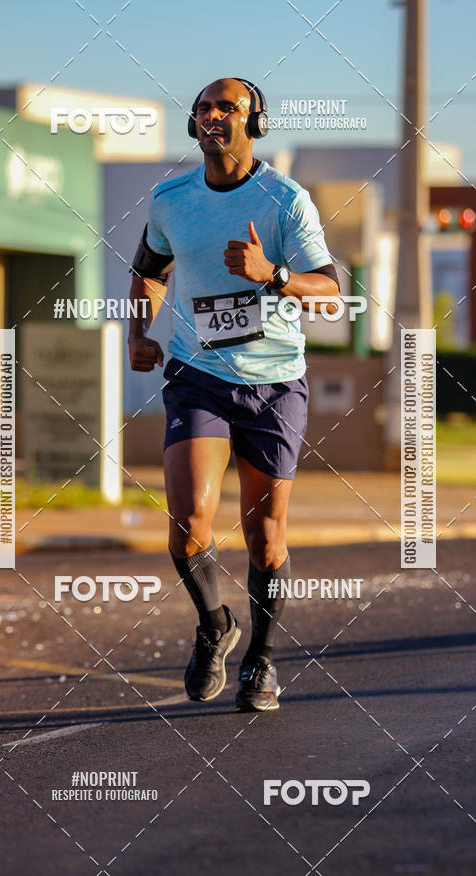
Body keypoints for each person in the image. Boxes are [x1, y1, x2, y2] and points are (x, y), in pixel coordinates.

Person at [128, 77, 339, 712]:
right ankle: (214, 626)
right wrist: (140, 330)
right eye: (203, 108)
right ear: (193, 125)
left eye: (228, 107)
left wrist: (272, 274)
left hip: (275, 383)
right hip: (199, 375)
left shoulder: (286, 200)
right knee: (189, 520)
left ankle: (263, 662)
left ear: (256, 122)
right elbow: (149, 270)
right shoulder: (170, 198)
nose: (213, 115)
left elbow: (328, 289)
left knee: (265, 536)